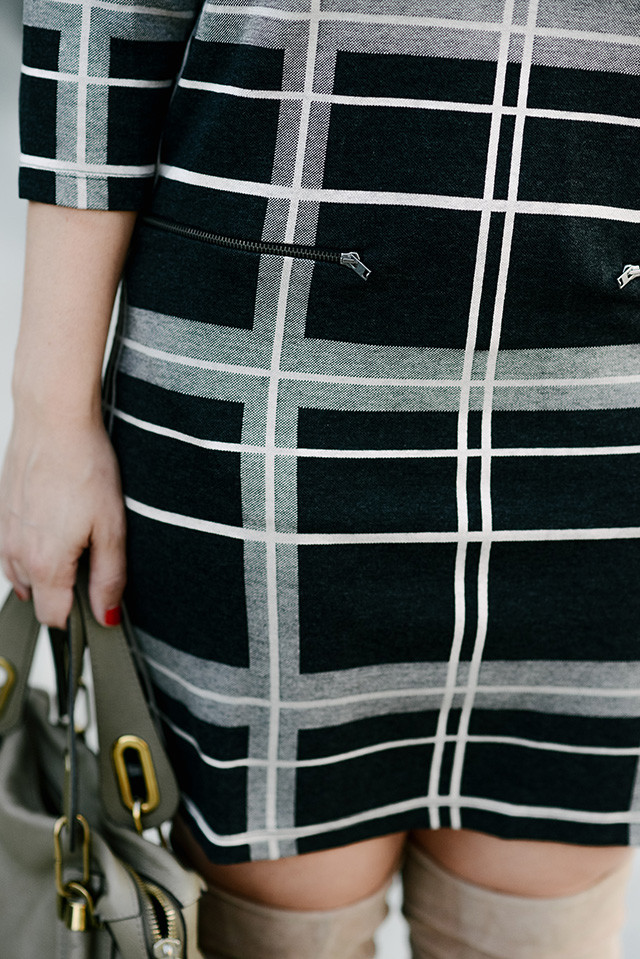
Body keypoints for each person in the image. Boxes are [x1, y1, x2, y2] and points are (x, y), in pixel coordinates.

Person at [2, 1, 639, 956]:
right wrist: (50, 414)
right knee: (275, 921)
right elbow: (102, 19)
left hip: (607, 414)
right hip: (261, 401)